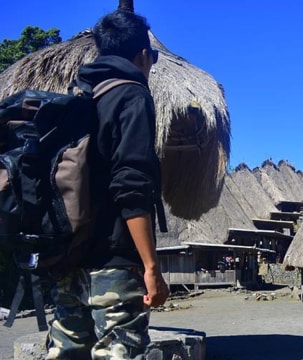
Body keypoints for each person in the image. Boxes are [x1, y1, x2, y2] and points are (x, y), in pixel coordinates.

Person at [45, 10, 168, 359]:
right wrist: (150, 267)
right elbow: (132, 186)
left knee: (67, 353)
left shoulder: (79, 99)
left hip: (69, 258)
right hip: (113, 261)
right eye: (152, 57)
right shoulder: (132, 96)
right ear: (143, 55)